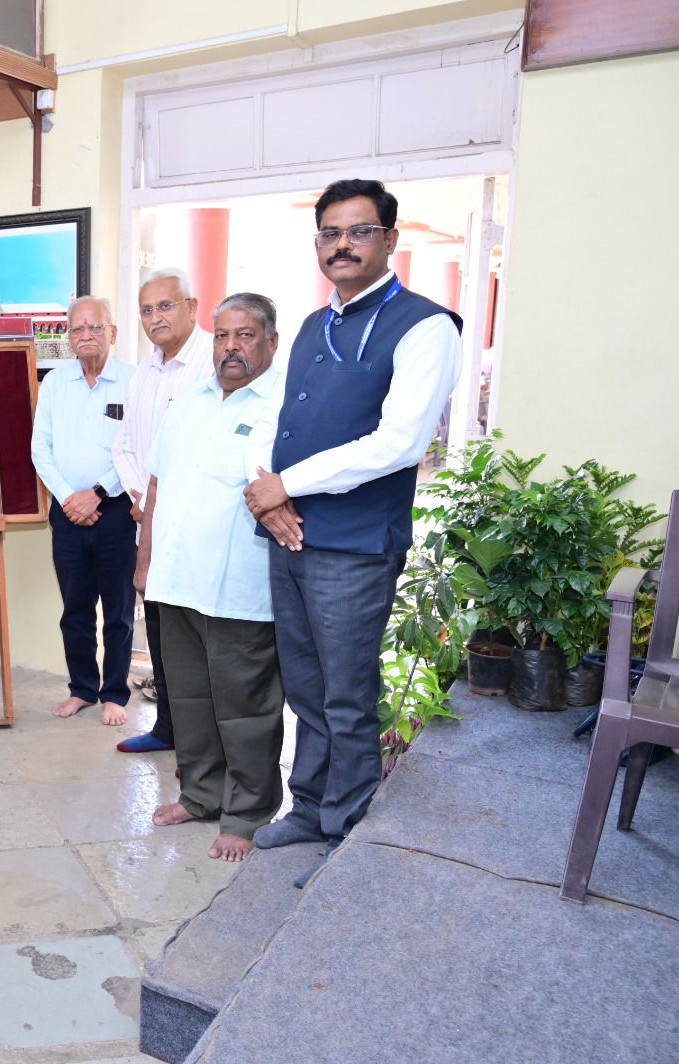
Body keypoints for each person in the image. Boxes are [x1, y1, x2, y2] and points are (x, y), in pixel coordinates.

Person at [244, 178, 462, 883]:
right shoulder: (314, 324)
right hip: (289, 534)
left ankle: (348, 827)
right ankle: (310, 808)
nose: (342, 245)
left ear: (390, 239)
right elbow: (273, 420)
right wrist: (266, 494)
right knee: (305, 686)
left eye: (359, 231)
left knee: (345, 693)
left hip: (356, 546)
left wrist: (287, 485)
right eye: (330, 233)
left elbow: (400, 442)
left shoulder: (427, 326)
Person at [142, 294, 285, 863]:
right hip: (177, 579)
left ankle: (247, 813)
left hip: (239, 587)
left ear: (271, 341)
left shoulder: (283, 406)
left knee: (245, 707)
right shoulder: (189, 401)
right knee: (189, 699)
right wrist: (145, 560)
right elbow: (157, 482)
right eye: (222, 335)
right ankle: (200, 795)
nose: (231, 347)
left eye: (245, 335)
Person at [112, 267, 213, 754]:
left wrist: (160, 502)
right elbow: (125, 446)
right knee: (159, 631)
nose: (156, 318)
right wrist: (141, 498)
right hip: (148, 524)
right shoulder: (143, 373)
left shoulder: (214, 363)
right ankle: (168, 729)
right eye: (147, 310)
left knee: (199, 636)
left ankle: (203, 745)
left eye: (166, 306)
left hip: (198, 527)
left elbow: (208, 451)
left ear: (192, 307)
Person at [31, 295, 134, 728]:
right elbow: (41, 450)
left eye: (95, 327)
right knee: (75, 609)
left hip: (117, 511)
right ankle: (82, 689)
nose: (86, 335)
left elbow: (137, 449)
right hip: (67, 512)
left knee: (118, 610)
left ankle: (115, 693)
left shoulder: (133, 381)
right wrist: (70, 499)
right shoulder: (55, 383)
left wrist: (97, 493)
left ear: (113, 332)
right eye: (78, 328)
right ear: (68, 337)